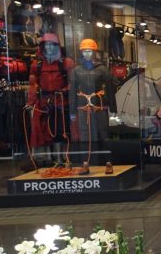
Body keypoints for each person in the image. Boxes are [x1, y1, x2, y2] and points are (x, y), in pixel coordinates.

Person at [26, 33, 75, 167]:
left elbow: (74, 83)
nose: (48, 48)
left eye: (51, 45)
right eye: (46, 45)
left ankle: (64, 159)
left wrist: (65, 90)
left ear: (56, 46)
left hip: (62, 103)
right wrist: (31, 102)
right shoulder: (37, 65)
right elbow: (33, 84)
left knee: (62, 131)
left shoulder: (66, 63)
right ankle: (53, 159)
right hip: (45, 104)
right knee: (47, 133)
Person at [70, 38, 116, 173]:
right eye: (85, 51)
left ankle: (108, 162)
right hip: (83, 107)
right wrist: (72, 111)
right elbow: (72, 92)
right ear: (81, 52)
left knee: (104, 133)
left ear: (94, 52)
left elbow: (110, 89)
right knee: (84, 136)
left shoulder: (102, 69)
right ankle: (85, 163)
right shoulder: (76, 71)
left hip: (99, 105)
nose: (88, 54)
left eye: (90, 51)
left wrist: (113, 108)